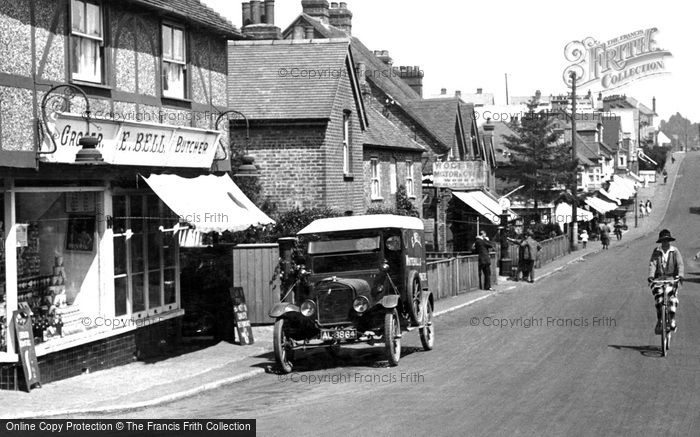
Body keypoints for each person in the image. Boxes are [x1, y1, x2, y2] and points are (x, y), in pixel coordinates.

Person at [648, 229, 684, 334]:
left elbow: (680, 264)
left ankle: (672, 320)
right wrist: (651, 276)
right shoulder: (657, 251)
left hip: (672, 279)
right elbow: (653, 264)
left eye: (667, 240)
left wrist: (680, 275)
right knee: (659, 300)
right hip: (659, 279)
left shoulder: (675, 251)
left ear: (669, 241)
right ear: (660, 241)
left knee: (672, 300)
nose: (665, 242)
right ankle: (660, 321)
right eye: (663, 240)